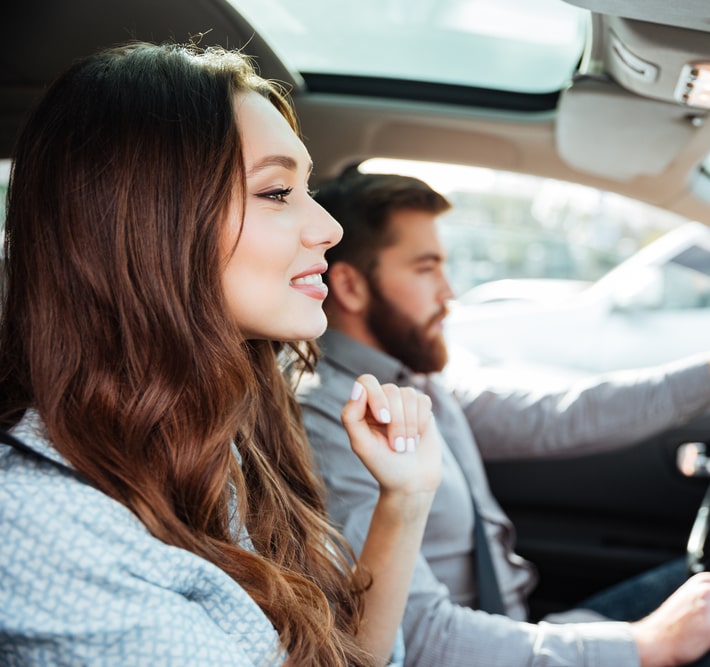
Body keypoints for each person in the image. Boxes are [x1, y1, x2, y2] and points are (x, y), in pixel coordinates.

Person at [297, 167, 710, 667]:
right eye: (426, 268)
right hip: (475, 652)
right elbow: (418, 640)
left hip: (517, 630)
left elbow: (565, 415)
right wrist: (643, 645)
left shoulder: (413, 383)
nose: (450, 292)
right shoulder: (331, 420)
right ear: (349, 286)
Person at [0, 43, 441, 667]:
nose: (329, 227)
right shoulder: (39, 522)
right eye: (277, 192)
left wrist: (405, 499)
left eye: (304, 187)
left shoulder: (226, 433)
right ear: (151, 221)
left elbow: (340, 657)